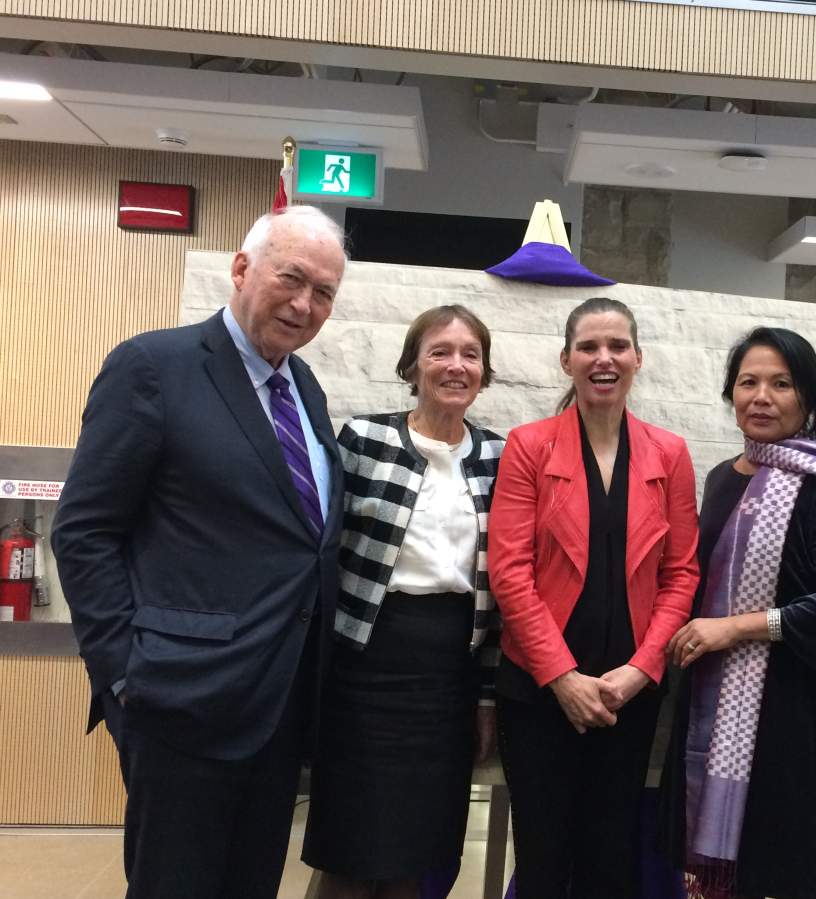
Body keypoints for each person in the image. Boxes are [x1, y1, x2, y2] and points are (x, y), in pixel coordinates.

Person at [51, 205, 347, 899]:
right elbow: (84, 530)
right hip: (180, 702)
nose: (305, 304)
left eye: (325, 292)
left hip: (277, 706)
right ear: (242, 269)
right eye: (292, 278)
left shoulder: (302, 387)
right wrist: (126, 675)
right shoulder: (154, 366)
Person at [661, 327, 816, 899]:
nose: (762, 396)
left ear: (807, 400)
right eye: (748, 382)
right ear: (731, 394)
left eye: (781, 384)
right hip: (711, 699)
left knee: (778, 871)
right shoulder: (721, 478)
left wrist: (738, 627)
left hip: (791, 713)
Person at [487, 296, 700, 899]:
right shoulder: (529, 447)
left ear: (638, 358)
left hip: (627, 695)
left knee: (613, 859)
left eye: (617, 346)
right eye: (588, 347)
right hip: (537, 691)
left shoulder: (670, 454)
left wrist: (640, 669)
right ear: (566, 360)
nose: (603, 358)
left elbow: (681, 574)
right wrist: (562, 677)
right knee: (543, 858)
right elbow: (510, 573)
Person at [302, 305, 506, 899]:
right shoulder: (362, 441)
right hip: (364, 671)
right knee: (351, 847)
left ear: (484, 372)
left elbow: (500, 591)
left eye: (471, 354)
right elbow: (322, 554)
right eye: (440, 351)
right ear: (412, 365)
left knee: (420, 851)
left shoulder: (498, 456)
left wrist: (486, 698)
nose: (456, 365)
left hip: (448, 680)